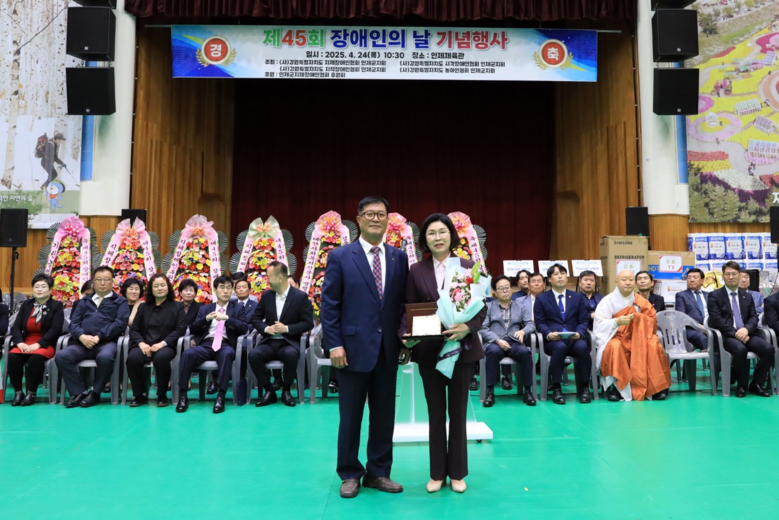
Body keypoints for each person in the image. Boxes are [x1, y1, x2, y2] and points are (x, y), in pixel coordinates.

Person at [320, 196, 409, 499]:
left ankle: (379, 472)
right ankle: (349, 473)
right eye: (369, 214)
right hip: (351, 350)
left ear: (388, 221)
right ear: (358, 219)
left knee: (384, 416)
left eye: (381, 214)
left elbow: (401, 305)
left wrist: (405, 338)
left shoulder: (398, 257)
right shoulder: (341, 256)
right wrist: (334, 344)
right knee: (350, 416)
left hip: (388, 350)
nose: (375, 219)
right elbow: (329, 305)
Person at [399, 213, 485, 494]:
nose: (437, 237)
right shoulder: (416, 270)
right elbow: (408, 307)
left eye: (442, 232)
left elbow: (482, 307)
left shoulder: (469, 267)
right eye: (431, 233)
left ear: (451, 235)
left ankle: (457, 473)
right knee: (435, 414)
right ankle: (437, 473)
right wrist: (406, 337)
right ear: (425, 239)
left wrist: (467, 327)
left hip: (462, 350)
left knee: (458, 413)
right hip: (429, 352)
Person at [55, 266, 129, 408]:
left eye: (106, 279)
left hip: (106, 343)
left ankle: (95, 392)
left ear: (112, 282)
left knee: (106, 357)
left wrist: (99, 337)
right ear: (93, 282)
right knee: (62, 356)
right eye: (98, 280)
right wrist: (81, 336)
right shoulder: (84, 301)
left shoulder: (120, 301)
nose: (102, 283)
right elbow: (74, 323)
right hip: (81, 343)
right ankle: (79, 392)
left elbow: (120, 324)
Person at [594, 270, 671, 402]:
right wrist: (616, 322)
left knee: (653, 344)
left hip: (638, 335)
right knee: (614, 347)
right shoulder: (607, 301)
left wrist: (638, 318)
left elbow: (652, 321)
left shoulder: (641, 301)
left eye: (631, 280)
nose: (628, 283)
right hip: (615, 336)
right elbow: (599, 324)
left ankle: (656, 387)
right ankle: (615, 387)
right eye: (624, 280)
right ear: (617, 282)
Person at [176, 275, 248, 414]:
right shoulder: (205, 309)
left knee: (226, 354)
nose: (225, 291)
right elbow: (193, 328)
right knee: (187, 354)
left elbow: (244, 328)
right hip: (207, 344)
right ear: (215, 290)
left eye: (229, 288)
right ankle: (183, 396)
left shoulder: (238, 308)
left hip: (226, 344)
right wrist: (206, 319)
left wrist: (227, 318)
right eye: (222, 288)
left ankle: (221, 396)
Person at [249, 261, 314, 408]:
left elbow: (308, 323)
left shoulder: (300, 297)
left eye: (269, 277)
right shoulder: (267, 296)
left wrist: (287, 329)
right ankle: (269, 391)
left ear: (279, 278)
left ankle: (286, 390)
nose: (267, 280)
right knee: (254, 355)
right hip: (270, 342)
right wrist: (266, 328)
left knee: (291, 354)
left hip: (289, 342)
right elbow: (255, 318)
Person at [708, 261, 773, 398]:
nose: (731, 277)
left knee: (768, 349)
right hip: (726, 336)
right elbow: (716, 319)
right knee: (740, 349)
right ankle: (742, 385)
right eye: (728, 274)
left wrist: (746, 330)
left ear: (739, 275)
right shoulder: (714, 296)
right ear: (723, 277)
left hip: (746, 333)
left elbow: (753, 317)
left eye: (734, 274)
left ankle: (756, 384)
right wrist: (736, 333)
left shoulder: (747, 296)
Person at [126, 274, 187, 407]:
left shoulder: (177, 306)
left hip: (166, 345)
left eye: (163, 285)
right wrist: (141, 343)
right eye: (156, 286)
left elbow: (180, 329)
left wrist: (162, 344)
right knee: (133, 358)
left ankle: (162, 395)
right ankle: (139, 395)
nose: (160, 288)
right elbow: (134, 329)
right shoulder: (143, 307)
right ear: (151, 289)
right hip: (144, 345)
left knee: (161, 358)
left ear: (168, 287)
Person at [534, 264, 592, 404]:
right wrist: (548, 334)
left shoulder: (577, 297)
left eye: (562, 273)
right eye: (555, 274)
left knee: (583, 347)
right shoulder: (542, 298)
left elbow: (583, 320)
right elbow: (540, 322)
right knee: (559, 347)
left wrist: (579, 333)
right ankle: (556, 388)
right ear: (549, 279)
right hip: (553, 340)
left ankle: (584, 387)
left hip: (573, 338)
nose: (560, 276)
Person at [7, 274, 64, 406]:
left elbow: (55, 329)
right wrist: (19, 343)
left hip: (46, 343)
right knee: (13, 356)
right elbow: (16, 327)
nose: (39, 289)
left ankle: (31, 393)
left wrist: (38, 344)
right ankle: (18, 392)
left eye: (43, 286)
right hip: (25, 342)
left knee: (35, 357)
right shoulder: (26, 305)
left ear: (50, 290)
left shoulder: (56, 306)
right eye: (36, 286)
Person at [480, 275, 536, 408]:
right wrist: (497, 340)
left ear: (511, 289)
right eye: (501, 288)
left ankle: (528, 391)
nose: (505, 291)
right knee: (492, 352)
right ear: (494, 292)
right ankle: (490, 392)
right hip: (495, 341)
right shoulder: (488, 307)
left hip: (514, 341)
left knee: (525, 353)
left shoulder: (520, 306)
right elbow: (482, 328)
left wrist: (523, 331)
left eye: (507, 287)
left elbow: (531, 324)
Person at [674, 268, 709, 352]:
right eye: (689, 278)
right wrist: (698, 326)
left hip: (709, 327)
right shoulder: (681, 295)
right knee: (702, 338)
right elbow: (682, 316)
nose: (691, 280)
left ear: (702, 280)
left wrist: (709, 326)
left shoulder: (709, 295)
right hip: (691, 329)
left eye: (695, 277)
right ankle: (710, 359)